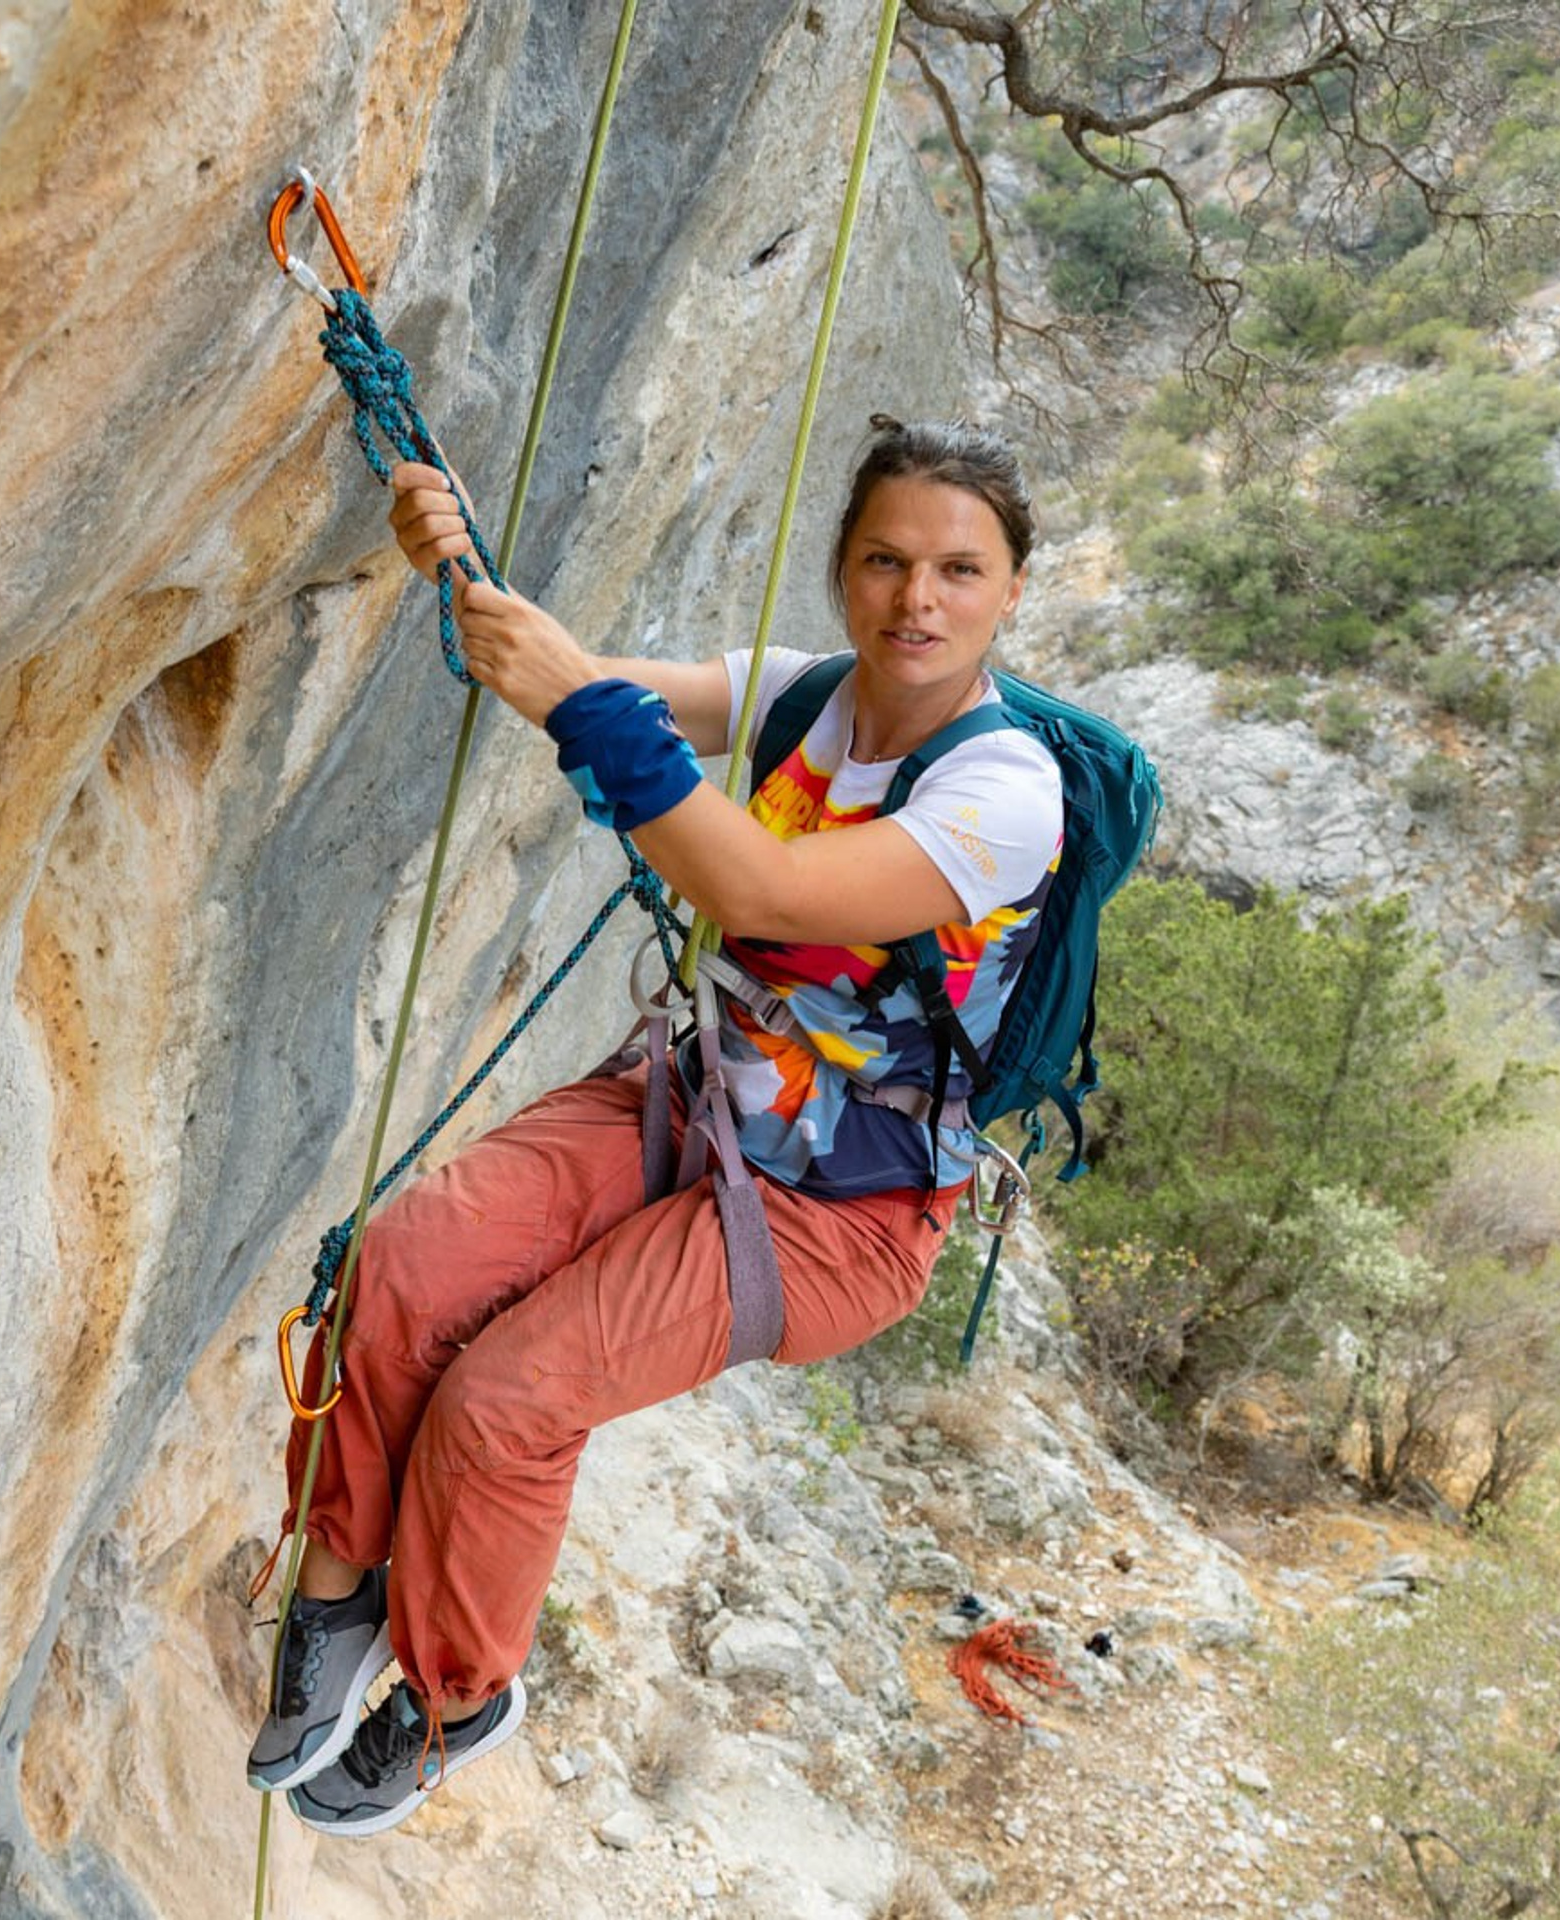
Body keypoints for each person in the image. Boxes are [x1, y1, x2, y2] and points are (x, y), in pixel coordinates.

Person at [246, 416, 1064, 1837]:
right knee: (401, 1269)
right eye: (885, 560)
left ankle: (453, 1697)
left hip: (843, 1216)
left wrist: (572, 694)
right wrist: (468, 575)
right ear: (842, 567)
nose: (916, 600)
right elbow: (582, 681)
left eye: (958, 570)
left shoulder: (1002, 792)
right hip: (698, 1102)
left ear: (1010, 592)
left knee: (507, 1403)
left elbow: (767, 893)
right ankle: (337, 1596)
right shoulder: (803, 696)